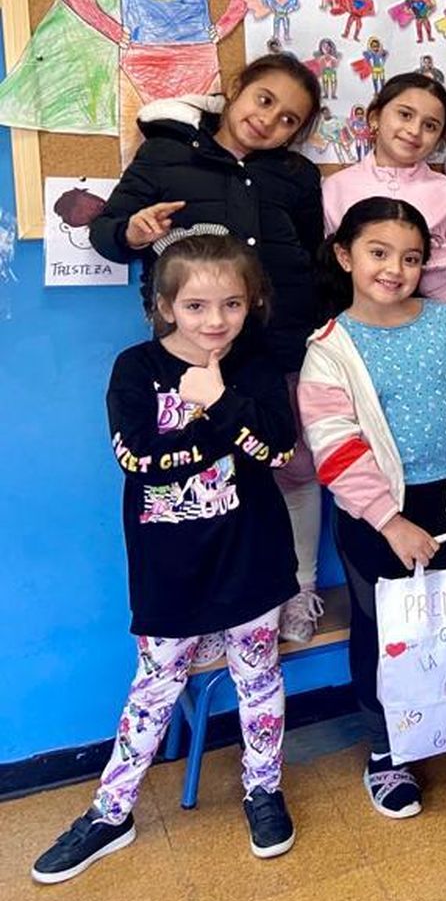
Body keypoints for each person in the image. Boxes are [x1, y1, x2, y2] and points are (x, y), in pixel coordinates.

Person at [32, 234, 299, 884]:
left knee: (258, 674)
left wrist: (220, 399)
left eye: (232, 303)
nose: (216, 320)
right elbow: (140, 458)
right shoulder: (134, 368)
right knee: (155, 684)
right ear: (164, 306)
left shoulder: (256, 366)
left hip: (252, 556)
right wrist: (219, 421)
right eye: (198, 304)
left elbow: (280, 452)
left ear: (251, 302)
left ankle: (262, 788)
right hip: (169, 565)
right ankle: (110, 810)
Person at [88, 53, 327, 644]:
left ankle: (296, 591)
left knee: (293, 468)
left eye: (290, 119)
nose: (270, 121)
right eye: (264, 100)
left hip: (275, 342)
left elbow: (308, 252)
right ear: (236, 89)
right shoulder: (168, 153)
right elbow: (107, 232)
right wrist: (132, 231)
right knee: (207, 470)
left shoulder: (294, 176)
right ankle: (217, 605)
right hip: (194, 351)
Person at [297, 197, 446, 819]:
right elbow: (334, 446)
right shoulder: (330, 348)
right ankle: (387, 750)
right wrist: (391, 523)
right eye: (379, 253)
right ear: (345, 256)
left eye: (411, 258)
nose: (396, 269)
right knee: (387, 629)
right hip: (378, 516)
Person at [322, 72, 446, 344]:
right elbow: (328, 268)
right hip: (357, 332)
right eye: (405, 115)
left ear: (440, 138)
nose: (414, 131)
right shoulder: (335, 188)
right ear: (375, 118)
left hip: (437, 334)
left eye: (430, 126)